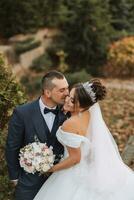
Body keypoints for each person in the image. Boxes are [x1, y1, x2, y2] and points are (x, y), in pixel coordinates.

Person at [34, 79, 134, 200]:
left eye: (72, 101)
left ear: (82, 107)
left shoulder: (70, 124)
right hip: (90, 167)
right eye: (69, 96)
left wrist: (51, 169)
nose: (66, 100)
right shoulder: (89, 114)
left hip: (73, 172)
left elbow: (75, 158)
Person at [5, 70, 69, 200]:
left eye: (67, 88)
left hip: (60, 182)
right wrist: (15, 178)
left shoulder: (69, 113)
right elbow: (12, 146)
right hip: (29, 184)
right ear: (47, 92)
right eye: (62, 90)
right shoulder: (23, 113)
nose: (67, 93)